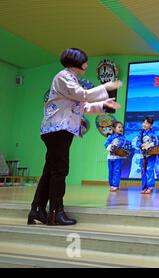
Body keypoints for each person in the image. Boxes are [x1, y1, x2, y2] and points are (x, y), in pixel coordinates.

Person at [28, 48, 122, 226]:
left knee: (51, 171)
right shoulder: (64, 76)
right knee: (60, 170)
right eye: (85, 61)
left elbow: (83, 106)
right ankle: (55, 212)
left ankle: (37, 210)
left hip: (59, 130)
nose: (86, 64)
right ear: (76, 62)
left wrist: (103, 104)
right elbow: (83, 95)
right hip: (58, 130)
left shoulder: (71, 79)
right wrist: (106, 87)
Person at [136, 117, 159, 194]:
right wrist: (141, 145)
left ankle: (150, 187)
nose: (144, 124)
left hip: (151, 154)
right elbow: (137, 142)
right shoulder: (141, 133)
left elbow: (156, 142)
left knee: (149, 170)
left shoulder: (153, 133)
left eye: (147, 123)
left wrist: (149, 145)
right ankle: (144, 187)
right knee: (143, 171)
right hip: (143, 154)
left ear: (151, 125)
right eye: (143, 122)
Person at [104, 122, 126, 192]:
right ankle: (111, 185)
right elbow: (106, 144)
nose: (121, 128)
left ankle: (115, 185)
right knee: (110, 171)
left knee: (116, 171)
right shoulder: (110, 137)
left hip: (118, 157)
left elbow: (121, 144)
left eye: (122, 127)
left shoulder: (122, 137)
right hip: (110, 157)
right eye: (119, 127)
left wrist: (115, 146)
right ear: (113, 128)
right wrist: (110, 146)